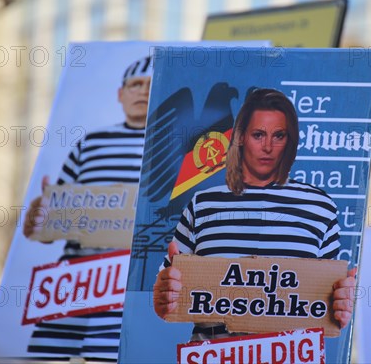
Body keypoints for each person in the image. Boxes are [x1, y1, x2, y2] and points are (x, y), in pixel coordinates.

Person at [153, 88, 357, 341]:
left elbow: (329, 305)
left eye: (279, 136)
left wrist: (342, 306)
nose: (268, 147)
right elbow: (166, 299)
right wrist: (164, 295)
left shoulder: (319, 206)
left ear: (290, 140)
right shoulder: (203, 203)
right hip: (216, 356)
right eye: (258, 135)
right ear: (240, 137)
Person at [22, 56, 152, 360]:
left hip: (129, 286)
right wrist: (42, 217)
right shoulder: (88, 144)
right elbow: (45, 229)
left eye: (150, 85)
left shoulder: (173, 146)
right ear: (121, 94)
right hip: (75, 281)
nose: (143, 92)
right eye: (135, 85)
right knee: (45, 354)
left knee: (106, 357)